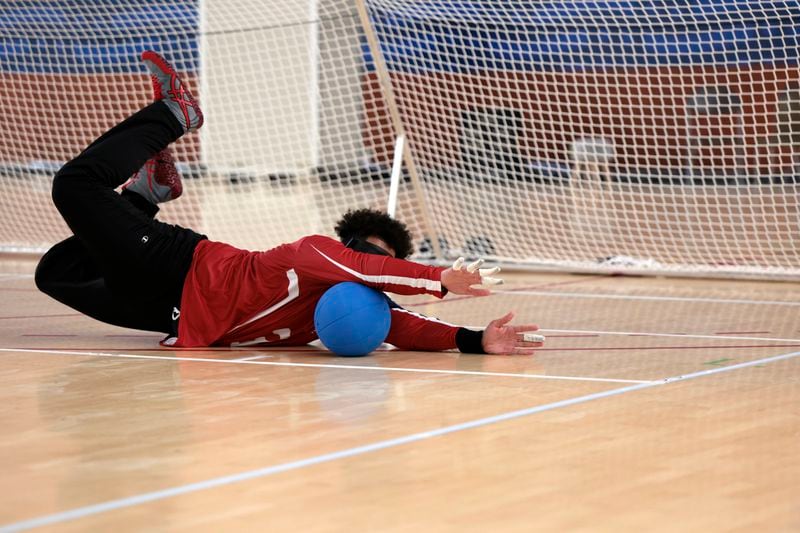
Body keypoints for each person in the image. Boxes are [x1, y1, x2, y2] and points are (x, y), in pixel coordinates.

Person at [35, 50, 543, 356]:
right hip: (184, 269)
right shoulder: (313, 253)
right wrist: (436, 278)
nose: (367, 264)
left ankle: (145, 198)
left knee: (57, 272)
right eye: (364, 251)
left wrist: (477, 342)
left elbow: (406, 327)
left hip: (175, 316)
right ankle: (174, 115)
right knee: (75, 186)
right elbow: (362, 265)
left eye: (379, 259)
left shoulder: (332, 315)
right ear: (347, 247)